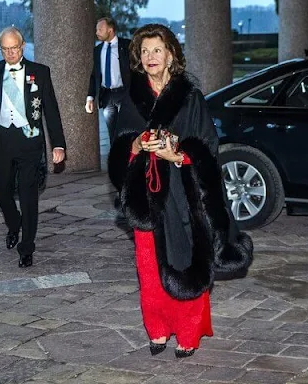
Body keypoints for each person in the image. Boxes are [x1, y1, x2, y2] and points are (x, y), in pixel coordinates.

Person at [108, 24, 253, 358]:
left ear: (171, 53)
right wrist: (138, 144)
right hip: (145, 196)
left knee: (186, 258)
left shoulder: (190, 96)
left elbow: (209, 145)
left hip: (184, 194)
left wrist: (179, 155)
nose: (150, 57)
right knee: (148, 266)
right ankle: (157, 329)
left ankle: (188, 331)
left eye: (157, 50)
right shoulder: (132, 96)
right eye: (144, 51)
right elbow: (119, 147)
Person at [0, 27, 66, 268]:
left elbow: (51, 110)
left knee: (28, 195)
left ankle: (27, 248)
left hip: (30, 141)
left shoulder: (40, 72)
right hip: (3, 140)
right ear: (0, 49)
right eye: (5, 49)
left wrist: (58, 144)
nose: (10, 53)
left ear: (23, 46)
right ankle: (15, 223)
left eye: (14, 48)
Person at [85, 17, 131, 143]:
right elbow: (95, 75)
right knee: (112, 133)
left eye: (100, 29)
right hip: (107, 97)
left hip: (124, 94)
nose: (96, 32)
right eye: (96, 29)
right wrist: (90, 97)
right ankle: (116, 160)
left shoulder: (127, 46)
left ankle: (130, 159)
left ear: (110, 30)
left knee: (127, 130)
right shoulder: (98, 50)